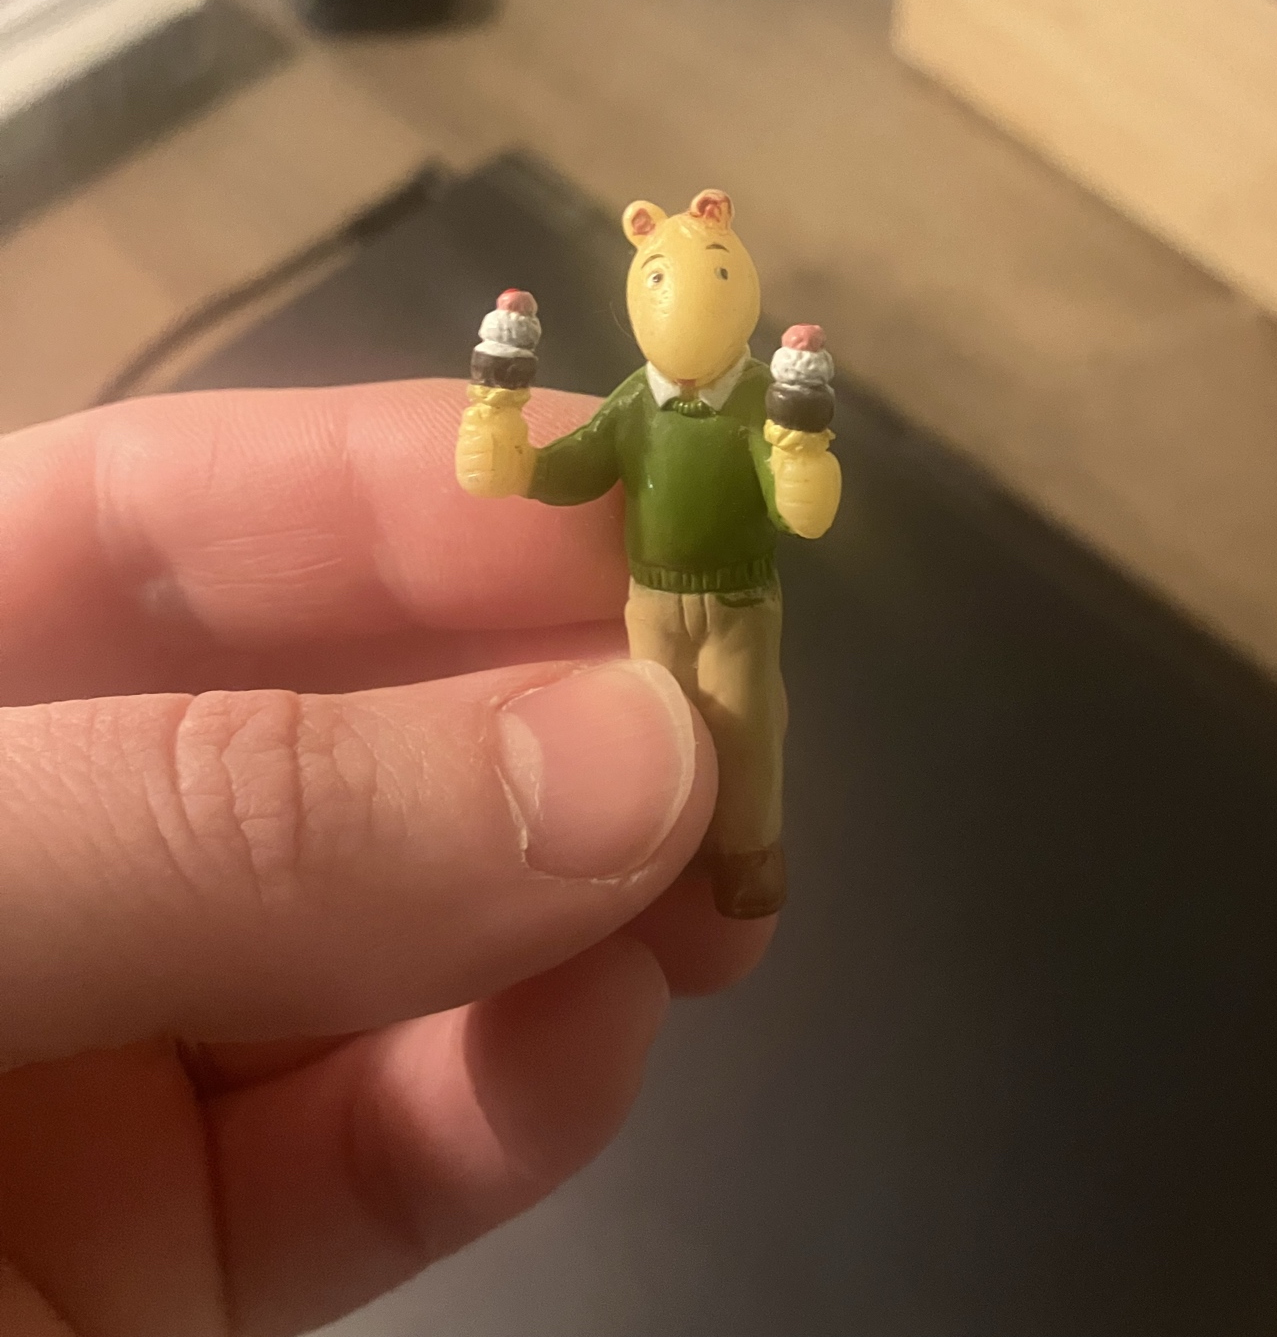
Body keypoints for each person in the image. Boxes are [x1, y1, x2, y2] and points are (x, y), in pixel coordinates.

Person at [0, 379, 771, 1337]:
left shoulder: (746, 408)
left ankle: (745, 849)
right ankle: (708, 840)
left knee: (746, 731)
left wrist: (800, 453)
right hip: (656, 592)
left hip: (742, 594)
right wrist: (512, 453)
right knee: (684, 725)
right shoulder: (634, 408)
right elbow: (568, 469)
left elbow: (796, 495)